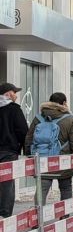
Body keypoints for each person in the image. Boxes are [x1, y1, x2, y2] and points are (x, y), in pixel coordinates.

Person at [24, 92, 73, 202]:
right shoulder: (70, 119)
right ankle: (65, 216)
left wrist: (30, 157)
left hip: (42, 160)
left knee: (41, 190)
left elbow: (29, 139)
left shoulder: (38, 118)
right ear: (64, 103)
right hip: (64, 161)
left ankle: (37, 216)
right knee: (65, 189)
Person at [0, 83, 27, 218]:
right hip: (8, 152)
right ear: (8, 94)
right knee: (7, 182)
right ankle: (4, 215)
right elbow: (23, 131)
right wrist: (26, 150)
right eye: (15, 92)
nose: (16, 95)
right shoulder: (15, 109)